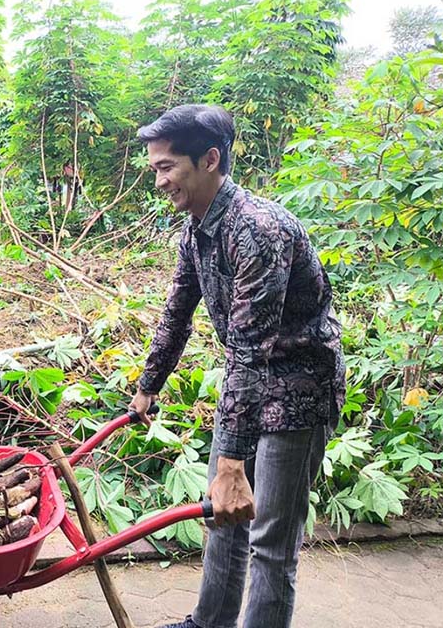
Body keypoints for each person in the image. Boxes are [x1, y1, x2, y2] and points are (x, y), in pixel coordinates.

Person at [128, 104, 345, 628]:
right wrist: (147, 387)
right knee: (225, 516)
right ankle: (209, 623)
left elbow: (248, 351)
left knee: (270, 537)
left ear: (209, 160)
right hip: (252, 384)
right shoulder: (198, 229)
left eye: (166, 167)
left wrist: (230, 463)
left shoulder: (259, 230)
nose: (158, 181)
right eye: (154, 167)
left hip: (298, 387)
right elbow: (177, 313)